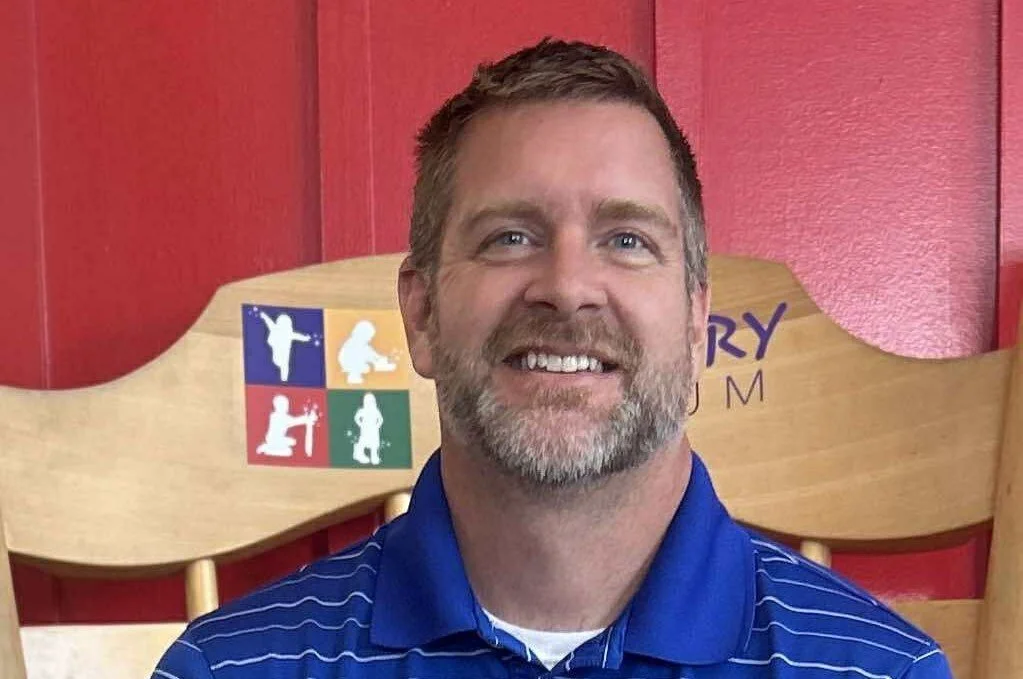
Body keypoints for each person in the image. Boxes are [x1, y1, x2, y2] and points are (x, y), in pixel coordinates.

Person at [152, 39, 952, 678]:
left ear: (695, 320)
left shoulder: (879, 671)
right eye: (510, 237)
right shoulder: (226, 667)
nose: (568, 287)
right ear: (421, 311)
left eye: (626, 240)